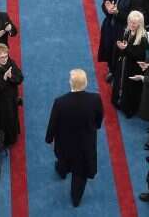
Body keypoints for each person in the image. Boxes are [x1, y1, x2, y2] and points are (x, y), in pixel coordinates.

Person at [46, 68, 104, 208]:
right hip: (85, 144)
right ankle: (76, 199)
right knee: (80, 173)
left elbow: (53, 123)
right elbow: (98, 119)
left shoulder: (60, 102)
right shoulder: (95, 99)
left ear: (71, 83)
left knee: (63, 160)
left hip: (65, 142)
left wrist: (49, 138)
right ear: (86, 83)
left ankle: (62, 171)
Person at [112, 9, 148, 117]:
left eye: (134, 23)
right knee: (120, 82)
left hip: (133, 68)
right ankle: (118, 101)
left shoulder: (142, 38)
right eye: (130, 22)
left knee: (131, 88)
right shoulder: (126, 31)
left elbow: (139, 55)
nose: (132, 24)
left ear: (139, 24)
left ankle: (129, 109)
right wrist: (120, 47)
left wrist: (126, 48)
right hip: (123, 64)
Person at [0, 43, 23, 146]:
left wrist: (11, 76)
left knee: (11, 119)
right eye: (2, 57)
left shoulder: (10, 63)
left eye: (6, 56)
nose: (5, 59)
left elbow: (20, 78)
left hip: (10, 100)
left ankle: (10, 139)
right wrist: (4, 79)